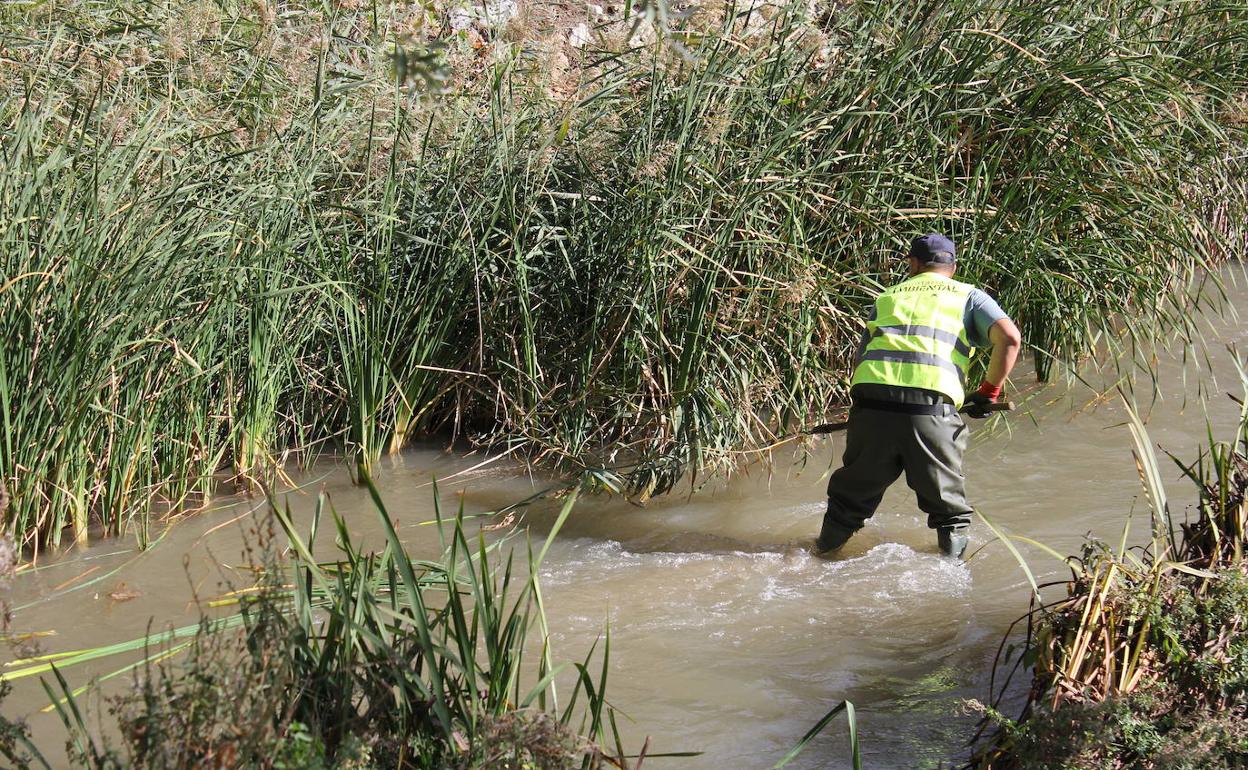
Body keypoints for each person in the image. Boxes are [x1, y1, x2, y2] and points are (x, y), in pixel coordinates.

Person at [816, 233, 1021, 559]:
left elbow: (862, 359)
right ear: (952, 266)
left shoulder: (887, 296)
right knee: (949, 512)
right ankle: (951, 582)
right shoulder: (969, 296)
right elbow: (1009, 338)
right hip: (930, 413)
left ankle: (820, 558)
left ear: (913, 263)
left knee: (847, 503)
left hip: (870, 407)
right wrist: (988, 392)